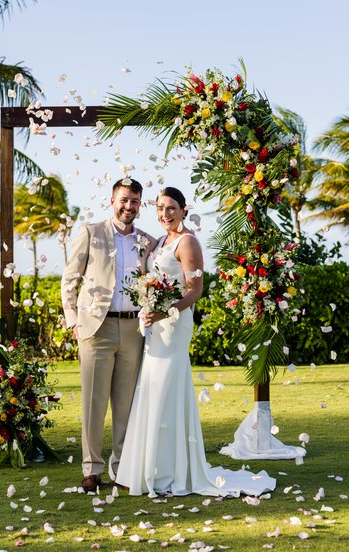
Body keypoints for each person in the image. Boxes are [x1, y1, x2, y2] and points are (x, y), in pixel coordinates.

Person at [116, 186, 276, 497]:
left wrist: (164, 311)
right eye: (161, 208)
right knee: (149, 387)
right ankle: (145, 469)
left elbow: (195, 289)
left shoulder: (188, 242)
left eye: (171, 208)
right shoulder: (161, 240)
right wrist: (148, 305)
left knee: (166, 388)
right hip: (154, 328)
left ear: (183, 209)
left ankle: (168, 472)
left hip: (173, 326)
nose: (165, 213)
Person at [61, 178, 156, 492]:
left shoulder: (148, 241)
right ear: (113, 200)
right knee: (93, 402)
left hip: (133, 330)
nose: (129, 206)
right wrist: (74, 320)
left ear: (140, 205)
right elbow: (69, 279)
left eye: (135, 201)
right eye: (124, 200)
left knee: (126, 404)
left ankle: (122, 468)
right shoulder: (91, 232)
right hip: (95, 329)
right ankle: (92, 469)